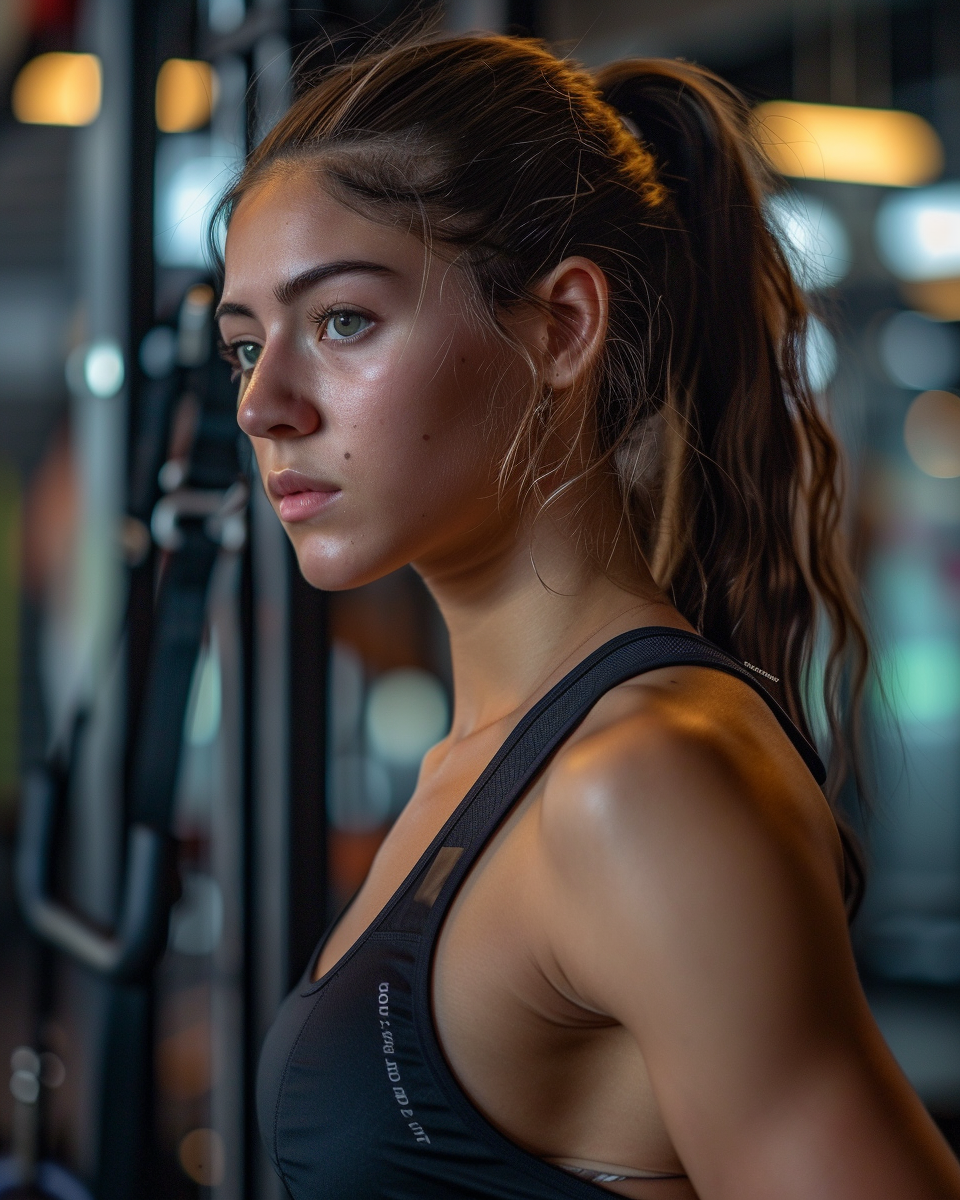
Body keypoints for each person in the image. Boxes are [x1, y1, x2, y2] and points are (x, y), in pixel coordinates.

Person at [213, 31, 960, 1199]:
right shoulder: (489, 761)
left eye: (343, 321)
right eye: (247, 344)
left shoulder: (636, 783)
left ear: (561, 327)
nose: (263, 405)